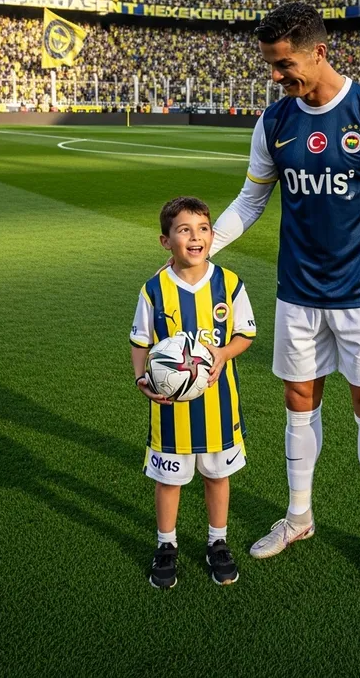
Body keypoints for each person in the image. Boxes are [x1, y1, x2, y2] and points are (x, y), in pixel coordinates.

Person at [209, 3, 360, 593]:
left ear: (319, 51)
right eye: (272, 68)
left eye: (285, 65)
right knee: (299, 399)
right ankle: (299, 516)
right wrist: (206, 246)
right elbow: (251, 201)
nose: (278, 77)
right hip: (298, 293)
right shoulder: (274, 121)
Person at [130, 196, 257, 590]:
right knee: (169, 481)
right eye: (183, 230)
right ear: (166, 241)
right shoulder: (153, 290)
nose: (195, 237)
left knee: (217, 477)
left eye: (202, 229)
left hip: (219, 406)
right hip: (170, 411)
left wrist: (223, 352)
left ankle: (217, 540)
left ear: (211, 236)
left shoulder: (230, 283)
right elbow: (139, 341)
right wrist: (141, 379)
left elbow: (245, 334)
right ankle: (166, 545)